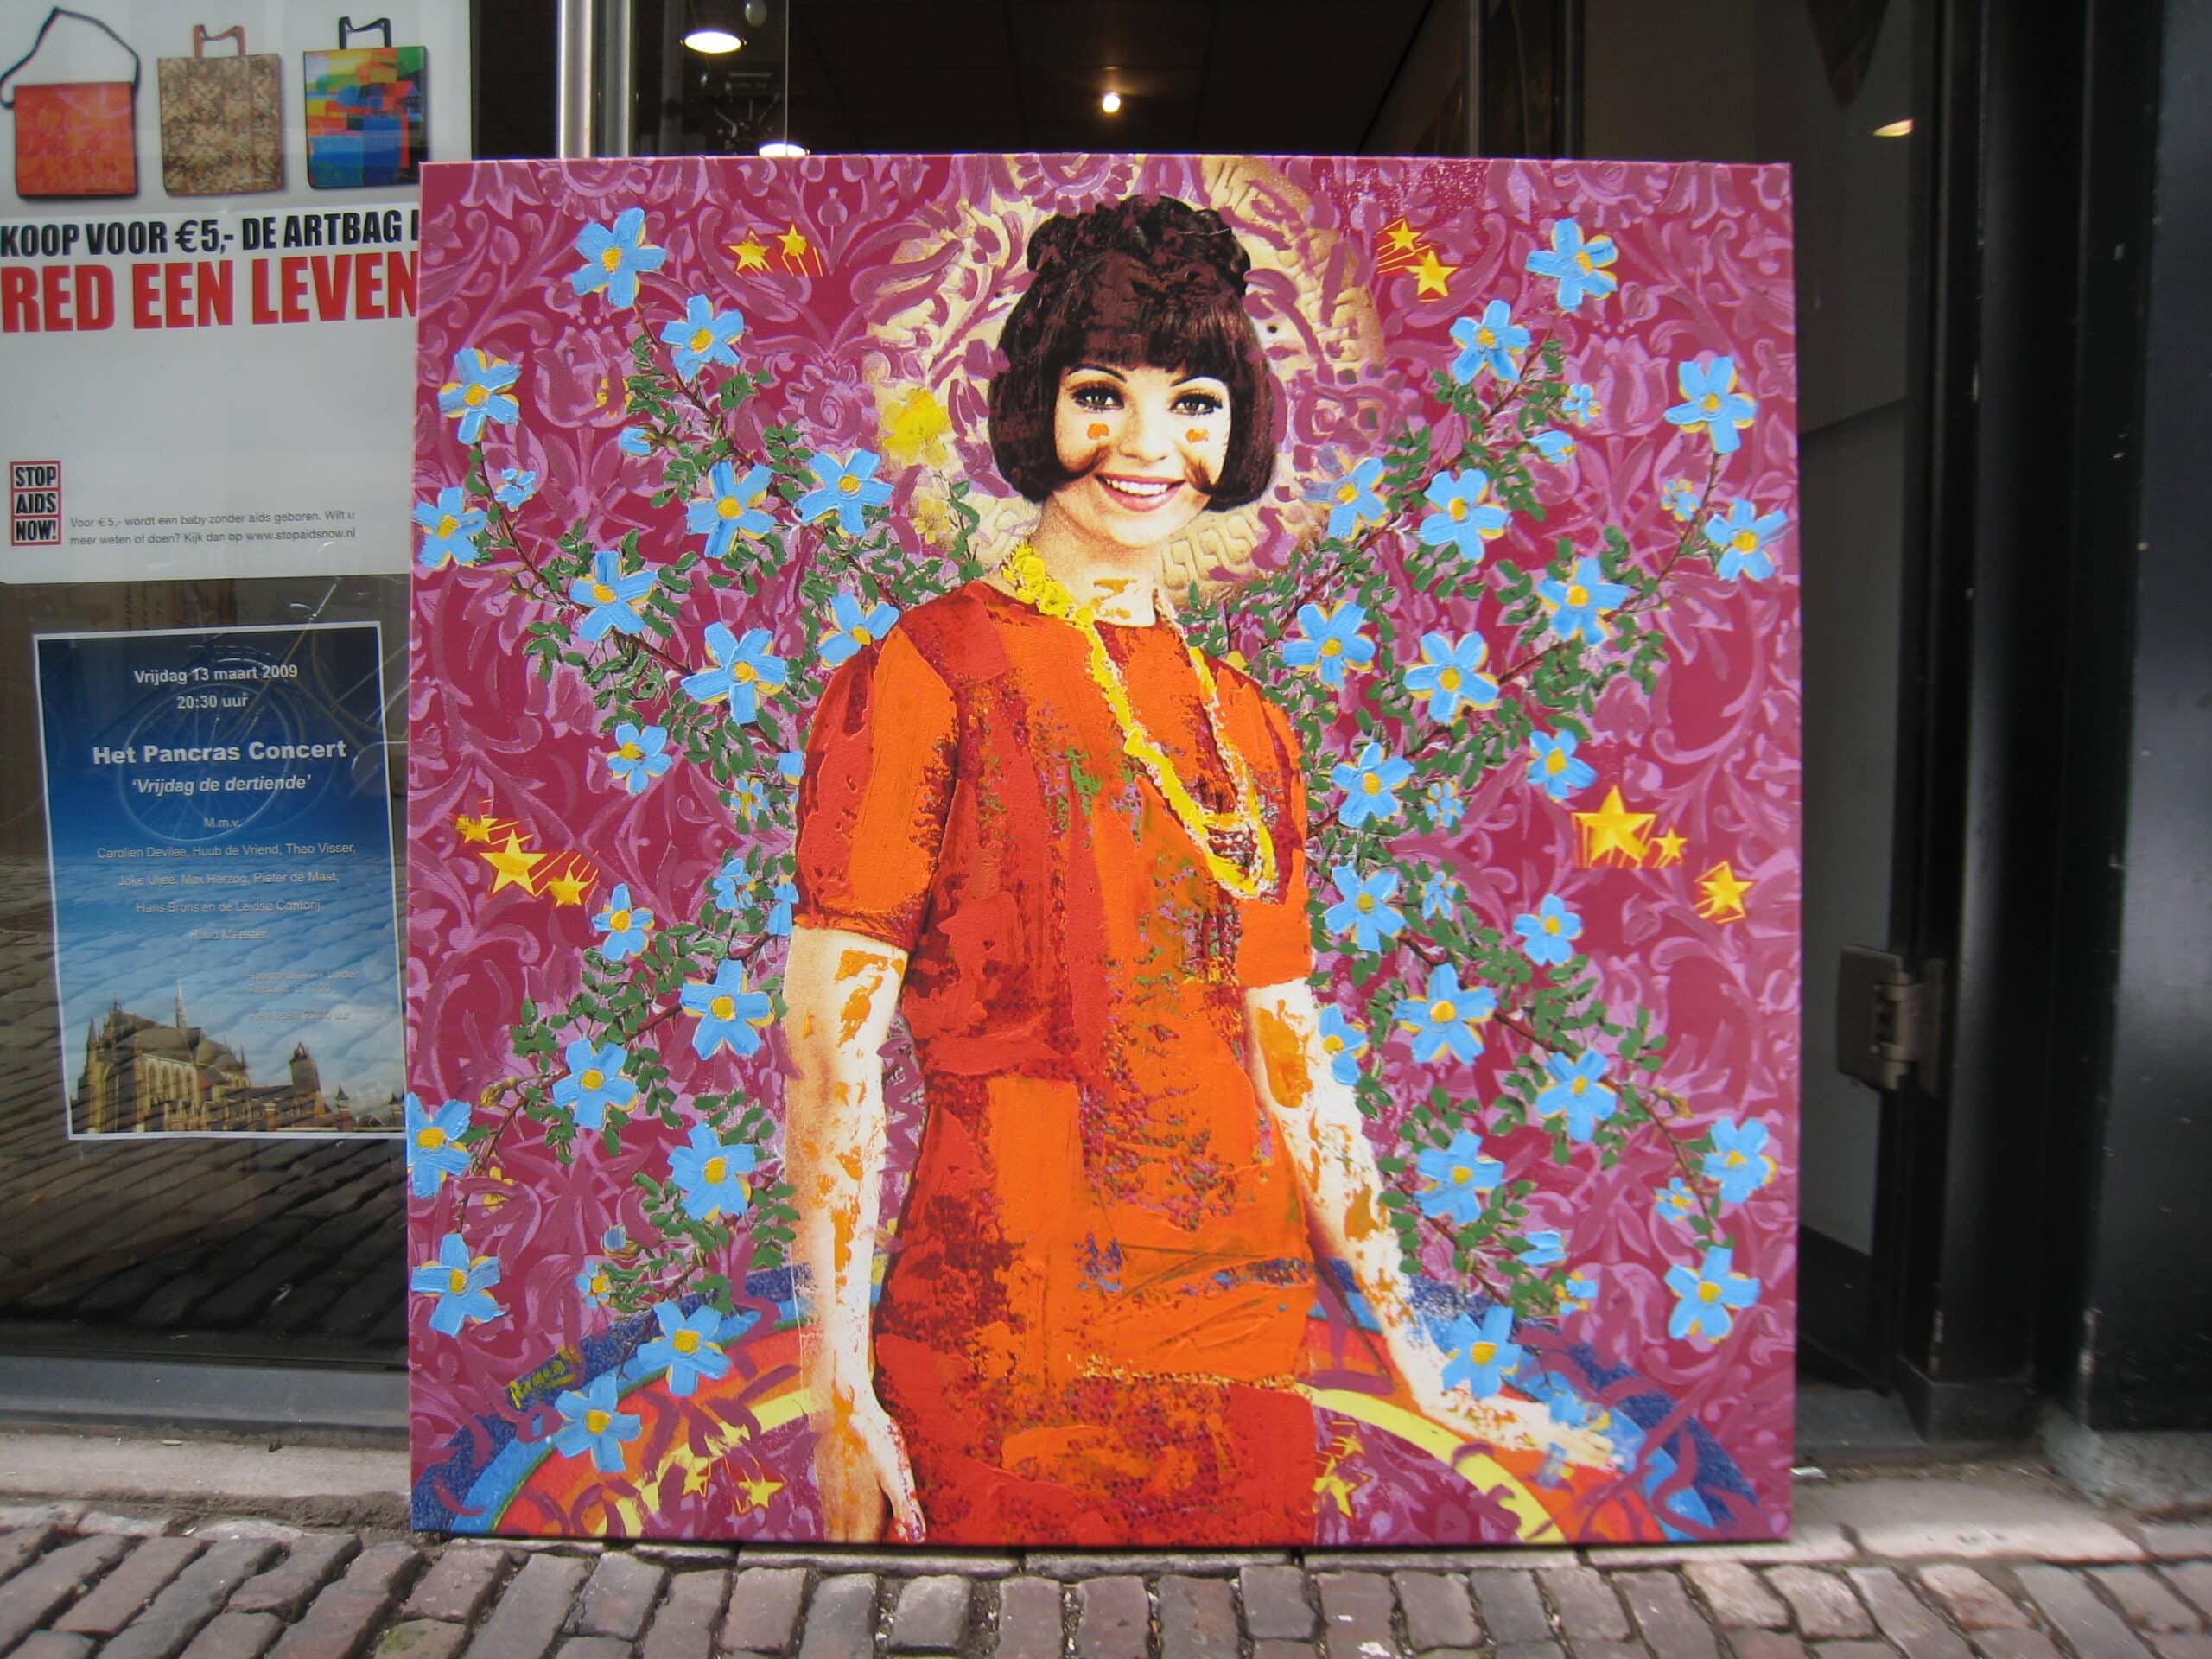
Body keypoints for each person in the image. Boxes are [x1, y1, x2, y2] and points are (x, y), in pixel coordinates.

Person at [781, 194, 1480, 1545]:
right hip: (1006, 1334)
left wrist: (1416, 1351)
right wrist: (835, 1385)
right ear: (1035, 407)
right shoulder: (923, 676)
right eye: (1102, 394)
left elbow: (1294, 1060)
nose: (1150, 446)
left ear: (1238, 429)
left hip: (1239, 1335)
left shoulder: (1247, 721)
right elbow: (830, 1052)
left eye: (1195, 403)